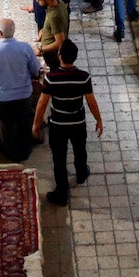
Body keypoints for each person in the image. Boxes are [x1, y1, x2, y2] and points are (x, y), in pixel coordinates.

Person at [36, 38, 100, 205]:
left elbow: (43, 103)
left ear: (60, 56)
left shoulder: (51, 78)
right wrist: (98, 120)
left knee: (59, 158)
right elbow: (91, 101)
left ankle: (62, 193)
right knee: (80, 150)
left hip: (58, 125)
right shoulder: (84, 77)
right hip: (78, 123)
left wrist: (36, 123)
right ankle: (81, 173)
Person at [0, 17, 43, 162]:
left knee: (7, 127)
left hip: (3, 97)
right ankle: (25, 151)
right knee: (24, 124)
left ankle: (11, 154)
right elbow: (36, 70)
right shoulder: (25, 48)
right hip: (24, 96)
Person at [35, 0, 70, 71]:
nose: (37, 1)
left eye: (39, 0)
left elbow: (60, 42)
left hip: (52, 56)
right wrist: (44, 31)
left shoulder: (54, 17)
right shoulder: (60, 3)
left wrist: (41, 49)